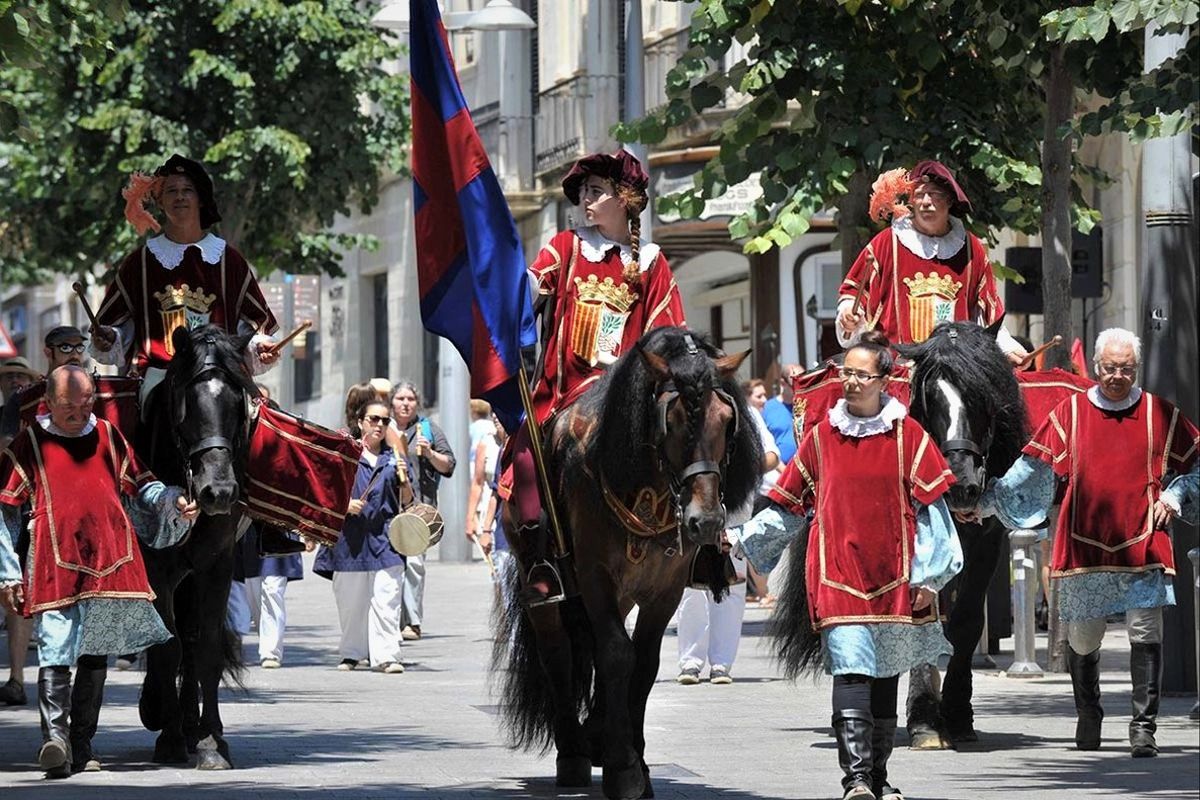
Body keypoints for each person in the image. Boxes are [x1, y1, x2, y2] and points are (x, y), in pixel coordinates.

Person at [735, 338, 962, 800]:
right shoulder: (822, 438)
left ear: (884, 382)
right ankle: (856, 779)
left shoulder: (909, 437)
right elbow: (788, 507)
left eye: (862, 375)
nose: (852, 382)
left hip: (898, 581)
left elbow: (932, 513)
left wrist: (930, 576)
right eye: (847, 374)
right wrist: (741, 539)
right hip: (838, 575)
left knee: (884, 681)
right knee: (852, 672)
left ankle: (878, 778)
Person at [978, 327, 1198, 758]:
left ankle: (1142, 727)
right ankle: (1089, 711)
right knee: (1082, 640)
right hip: (1084, 547)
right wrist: (985, 502)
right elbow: (1032, 469)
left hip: (1144, 544)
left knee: (1145, 633)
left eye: (1127, 369)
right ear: (1097, 367)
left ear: (1137, 369)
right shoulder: (1070, 413)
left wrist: (1175, 494)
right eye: (1111, 368)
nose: (1118, 376)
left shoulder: (1160, 413)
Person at [498, 149, 685, 604]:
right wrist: (500, 276)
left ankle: (703, 544)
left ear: (625, 199)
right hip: (562, 395)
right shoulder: (565, 247)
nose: (587, 200)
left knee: (694, 442)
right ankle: (540, 558)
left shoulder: (653, 263)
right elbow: (527, 293)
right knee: (526, 460)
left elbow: (669, 334)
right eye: (584, 192)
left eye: (597, 192)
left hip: (629, 397)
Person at [0, 366, 198, 777]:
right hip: (55, 563)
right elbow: (5, 510)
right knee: (55, 649)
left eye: (86, 401)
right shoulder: (29, 443)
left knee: (94, 652)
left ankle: (81, 742)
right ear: (49, 403)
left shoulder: (108, 435)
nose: (78, 411)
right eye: (69, 405)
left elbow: (144, 484)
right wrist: (8, 572)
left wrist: (173, 500)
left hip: (109, 561)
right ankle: (54, 740)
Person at [90, 154, 280, 382]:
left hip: (218, 375)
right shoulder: (139, 262)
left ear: (200, 198)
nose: (179, 196)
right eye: (171, 191)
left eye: (187, 190)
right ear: (159, 201)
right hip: (158, 375)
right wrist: (109, 337)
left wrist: (260, 347)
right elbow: (117, 329)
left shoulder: (229, 260)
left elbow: (251, 328)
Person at [835, 161, 1027, 364]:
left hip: (953, 368)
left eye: (934, 194)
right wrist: (848, 315)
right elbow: (854, 293)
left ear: (950, 201)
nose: (926, 202)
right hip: (895, 369)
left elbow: (988, 310)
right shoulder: (886, 243)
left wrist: (1007, 347)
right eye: (918, 195)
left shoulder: (972, 249)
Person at [676, 394, 778, 685]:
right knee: (692, 590)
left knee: (731, 589)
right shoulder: (686, 407)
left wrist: (741, 467)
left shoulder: (742, 410)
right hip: (695, 513)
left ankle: (721, 663)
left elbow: (771, 456)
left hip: (732, 513)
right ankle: (690, 663)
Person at [315, 400, 411, 673]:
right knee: (351, 604)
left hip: (385, 541)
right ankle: (352, 653)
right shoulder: (343, 457)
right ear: (360, 422)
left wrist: (404, 479)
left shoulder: (394, 460)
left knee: (387, 600)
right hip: (350, 543)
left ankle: (387, 656)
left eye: (384, 420)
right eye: (373, 419)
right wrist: (344, 506)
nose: (379, 425)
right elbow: (325, 495)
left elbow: (408, 500)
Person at [390, 381, 455, 640]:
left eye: (410, 399)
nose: (405, 403)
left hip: (419, 510)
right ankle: (392, 619)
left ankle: (412, 622)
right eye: (400, 398)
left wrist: (429, 453)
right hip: (388, 508)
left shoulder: (428, 429)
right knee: (392, 566)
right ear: (391, 403)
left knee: (414, 564)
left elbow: (449, 465)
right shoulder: (384, 429)